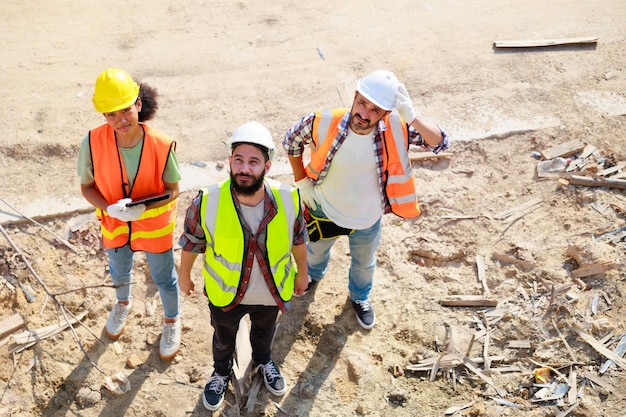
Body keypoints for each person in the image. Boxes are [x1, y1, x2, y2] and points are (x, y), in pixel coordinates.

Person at [282, 69, 449, 329]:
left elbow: (439, 143)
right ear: (355, 95)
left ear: (386, 113)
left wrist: (412, 117)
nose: (365, 114)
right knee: (315, 256)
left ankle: (359, 297)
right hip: (323, 210)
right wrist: (301, 181)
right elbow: (291, 140)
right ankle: (313, 277)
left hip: (367, 220)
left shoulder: (396, 128)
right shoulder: (325, 121)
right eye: (362, 103)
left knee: (364, 264)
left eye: (375, 110)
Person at [177, 121, 308, 412]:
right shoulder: (207, 201)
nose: (244, 168)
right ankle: (221, 373)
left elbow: (298, 237)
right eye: (239, 160)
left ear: (267, 166)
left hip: (270, 293)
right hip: (226, 295)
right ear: (229, 162)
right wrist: (184, 275)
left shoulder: (289, 199)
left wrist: (303, 272)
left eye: (253, 162)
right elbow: (192, 241)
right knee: (223, 340)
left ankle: (263, 361)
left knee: (264, 334)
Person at [77, 68, 182, 361]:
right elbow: (86, 186)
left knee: (164, 277)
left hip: (154, 227)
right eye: (111, 114)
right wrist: (108, 208)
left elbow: (174, 189)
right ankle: (123, 302)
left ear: (138, 103)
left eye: (125, 110)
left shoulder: (161, 144)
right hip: (115, 226)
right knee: (119, 270)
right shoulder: (91, 142)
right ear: (103, 116)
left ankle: (172, 321)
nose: (120, 120)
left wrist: (143, 208)